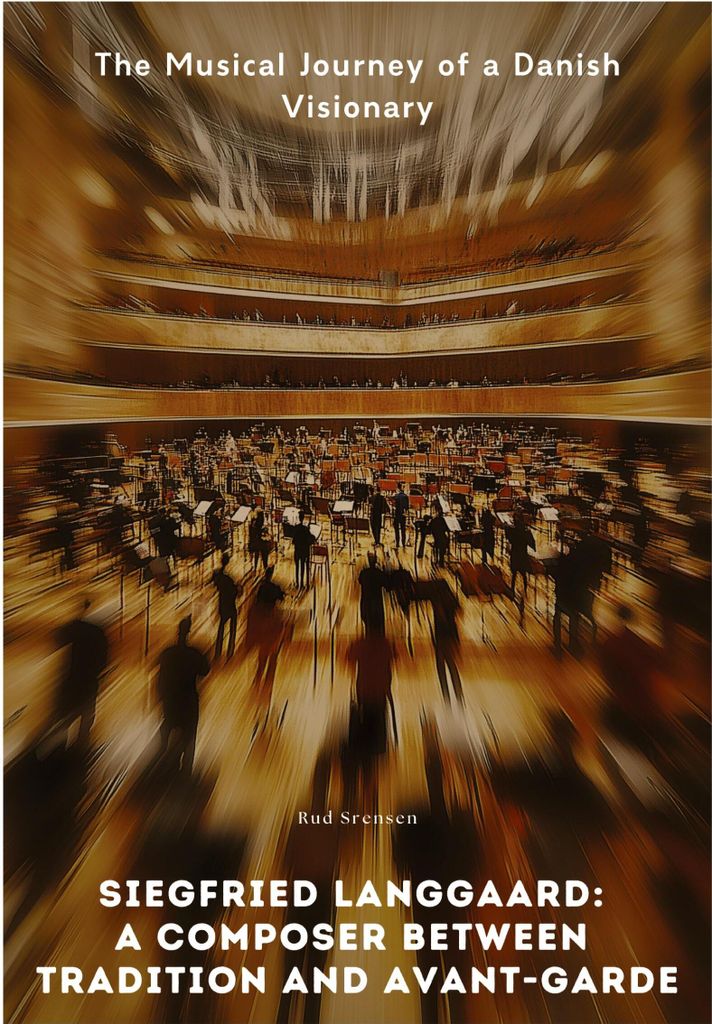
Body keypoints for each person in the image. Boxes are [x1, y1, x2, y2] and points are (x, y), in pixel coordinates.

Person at [156, 616, 209, 775]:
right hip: (188, 698)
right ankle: (186, 768)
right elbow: (205, 670)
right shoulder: (194, 654)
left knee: (168, 725)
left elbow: (160, 676)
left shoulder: (168, 653)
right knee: (190, 733)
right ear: (189, 632)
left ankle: (162, 755)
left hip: (171, 698)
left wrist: (160, 696)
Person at [55, 598, 109, 747]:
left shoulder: (75, 628)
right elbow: (104, 659)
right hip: (89, 680)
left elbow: (59, 638)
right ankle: (81, 745)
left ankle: (61, 747)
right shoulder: (98, 632)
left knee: (65, 716)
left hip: (72, 677)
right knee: (86, 715)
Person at [211, 553, 241, 659]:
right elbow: (235, 592)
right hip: (230, 604)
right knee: (232, 628)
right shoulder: (228, 579)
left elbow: (215, 584)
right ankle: (230, 651)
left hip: (222, 603)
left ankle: (218, 651)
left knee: (221, 627)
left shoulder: (217, 575)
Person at [358, 551, 388, 636]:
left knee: (368, 624)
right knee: (377, 625)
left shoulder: (364, 573)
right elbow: (386, 584)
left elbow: (360, 581)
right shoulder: (379, 573)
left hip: (366, 600)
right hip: (376, 601)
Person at [506, 513, 535, 597]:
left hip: (515, 553)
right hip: (523, 554)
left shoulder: (513, 531)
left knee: (514, 573)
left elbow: (510, 539)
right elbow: (530, 542)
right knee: (523, 573)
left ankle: (512, 589)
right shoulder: (526, 531)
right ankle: (525, 590)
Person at [291, 510, 314, 588]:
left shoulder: (296, 528)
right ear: (303, 518)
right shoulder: (306, 529)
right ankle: (304, 583)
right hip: (304, 551)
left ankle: (298, 583)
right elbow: (310, 540)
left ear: (299, 517)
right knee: (303, 566)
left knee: (297, 566)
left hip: (297, 550)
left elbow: (293, 541)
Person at [393, 482, 409, 549]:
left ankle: (397, 543)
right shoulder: (405, 496)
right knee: (403, 529)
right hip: (403, 514)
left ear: (398, 488)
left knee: (396, 529)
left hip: (397, 514)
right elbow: (407, 507)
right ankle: (403, 543)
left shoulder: (396, 496)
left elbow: (394, 506)